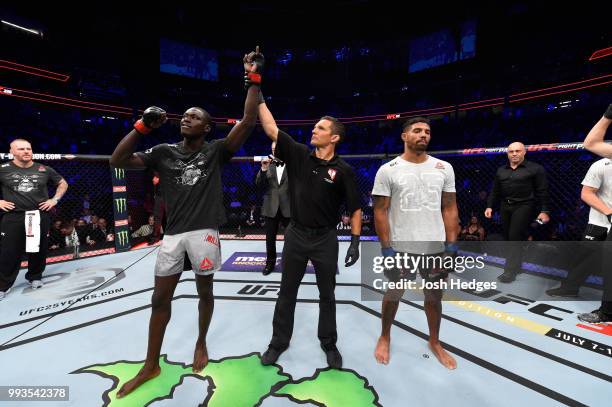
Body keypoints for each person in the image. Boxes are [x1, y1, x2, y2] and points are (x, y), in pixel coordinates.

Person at [109, 47, 263, 398]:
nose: (186, 119)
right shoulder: (163, 151)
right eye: (185, 116)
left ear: (207, 127)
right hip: (173, 236)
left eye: (195, 117)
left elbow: (249, 121)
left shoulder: (216, 151)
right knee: (159, 299)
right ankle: (150, 364)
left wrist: (253, 77)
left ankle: (201, 342)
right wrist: (142, 126)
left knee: (204, 292)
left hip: (204, 233)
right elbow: (117, 160)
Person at [256, 88, 362, 369]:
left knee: (327, 295)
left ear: (334, 137)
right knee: (286, 292)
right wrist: (256, 88)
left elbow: (355, 208)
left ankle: (329, 343)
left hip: (326, 238)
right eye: (315, 126)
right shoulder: (300, 155)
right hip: (296, 234)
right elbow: (270, 128)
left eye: (321, 128)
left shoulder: (344, 170)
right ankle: (278, 342)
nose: (314, 130)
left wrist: (355, 241)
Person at [372, 117, 460, 369]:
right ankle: (385, 336)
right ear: (404, 136)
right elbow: (380, 211)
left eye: (428, 132)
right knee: (394, 292)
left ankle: (435, 341)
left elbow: (450, 207)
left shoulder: (444, 168)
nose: (424, 135)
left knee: (434, 297)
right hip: (401, 247)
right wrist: (386, 248)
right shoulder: (388, 169)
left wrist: (451, 246)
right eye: (418, 131)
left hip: (435, 247)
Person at [0, 139, 68, 300]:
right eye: (21, 149)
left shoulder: (44, 169)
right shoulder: (3, 169)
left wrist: (54, 200)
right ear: (12, 152)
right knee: (9, 251)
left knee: (37, 249)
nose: (26, 151)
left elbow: (63, 183)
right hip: (13, 216)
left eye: (28, 148)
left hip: (38, 215)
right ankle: (3, 285)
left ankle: (35, 277)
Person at [484, 142, 550, 282]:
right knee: (509, 237)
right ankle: (517, 266)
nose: (514, 153)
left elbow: (543, 191)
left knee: (514, 237)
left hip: (524, 206)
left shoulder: (535, 169)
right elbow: (495, 190)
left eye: (517, 151)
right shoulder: (501, 170)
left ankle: (509, 271)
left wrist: (545, 210)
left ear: (524, 152)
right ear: (507, 153)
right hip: (505, 206)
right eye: (511, 151)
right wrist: (489, 206)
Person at [573, 104, 612, 323]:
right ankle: (607, 311)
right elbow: (591, 144)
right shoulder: (602, 164)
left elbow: (591, 143)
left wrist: (608, 115)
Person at [256, 142, 290, 275]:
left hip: (289, 206)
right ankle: (270, 263)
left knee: (291, 238)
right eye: (273, 149)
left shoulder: (293, 164)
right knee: (270, 238)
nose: (275, 151)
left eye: (277, 148)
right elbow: (259, 184)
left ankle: (290, 263)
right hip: (271, 206)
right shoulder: (267, 164)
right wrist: (263, 170)